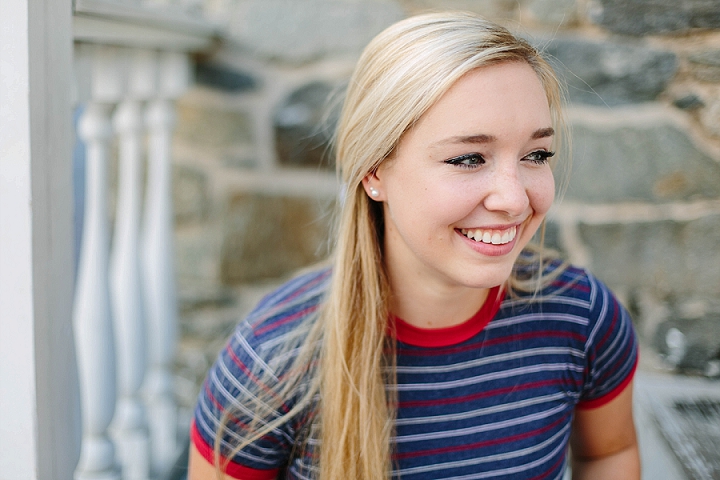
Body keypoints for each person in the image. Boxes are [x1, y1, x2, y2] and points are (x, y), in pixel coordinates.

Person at [188, 11, 640, 480]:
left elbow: (608, 454)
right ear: (375, 171)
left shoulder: (583, 317)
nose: (513, 199)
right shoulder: (273, 359)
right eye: (468, 158)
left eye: (535, 154)